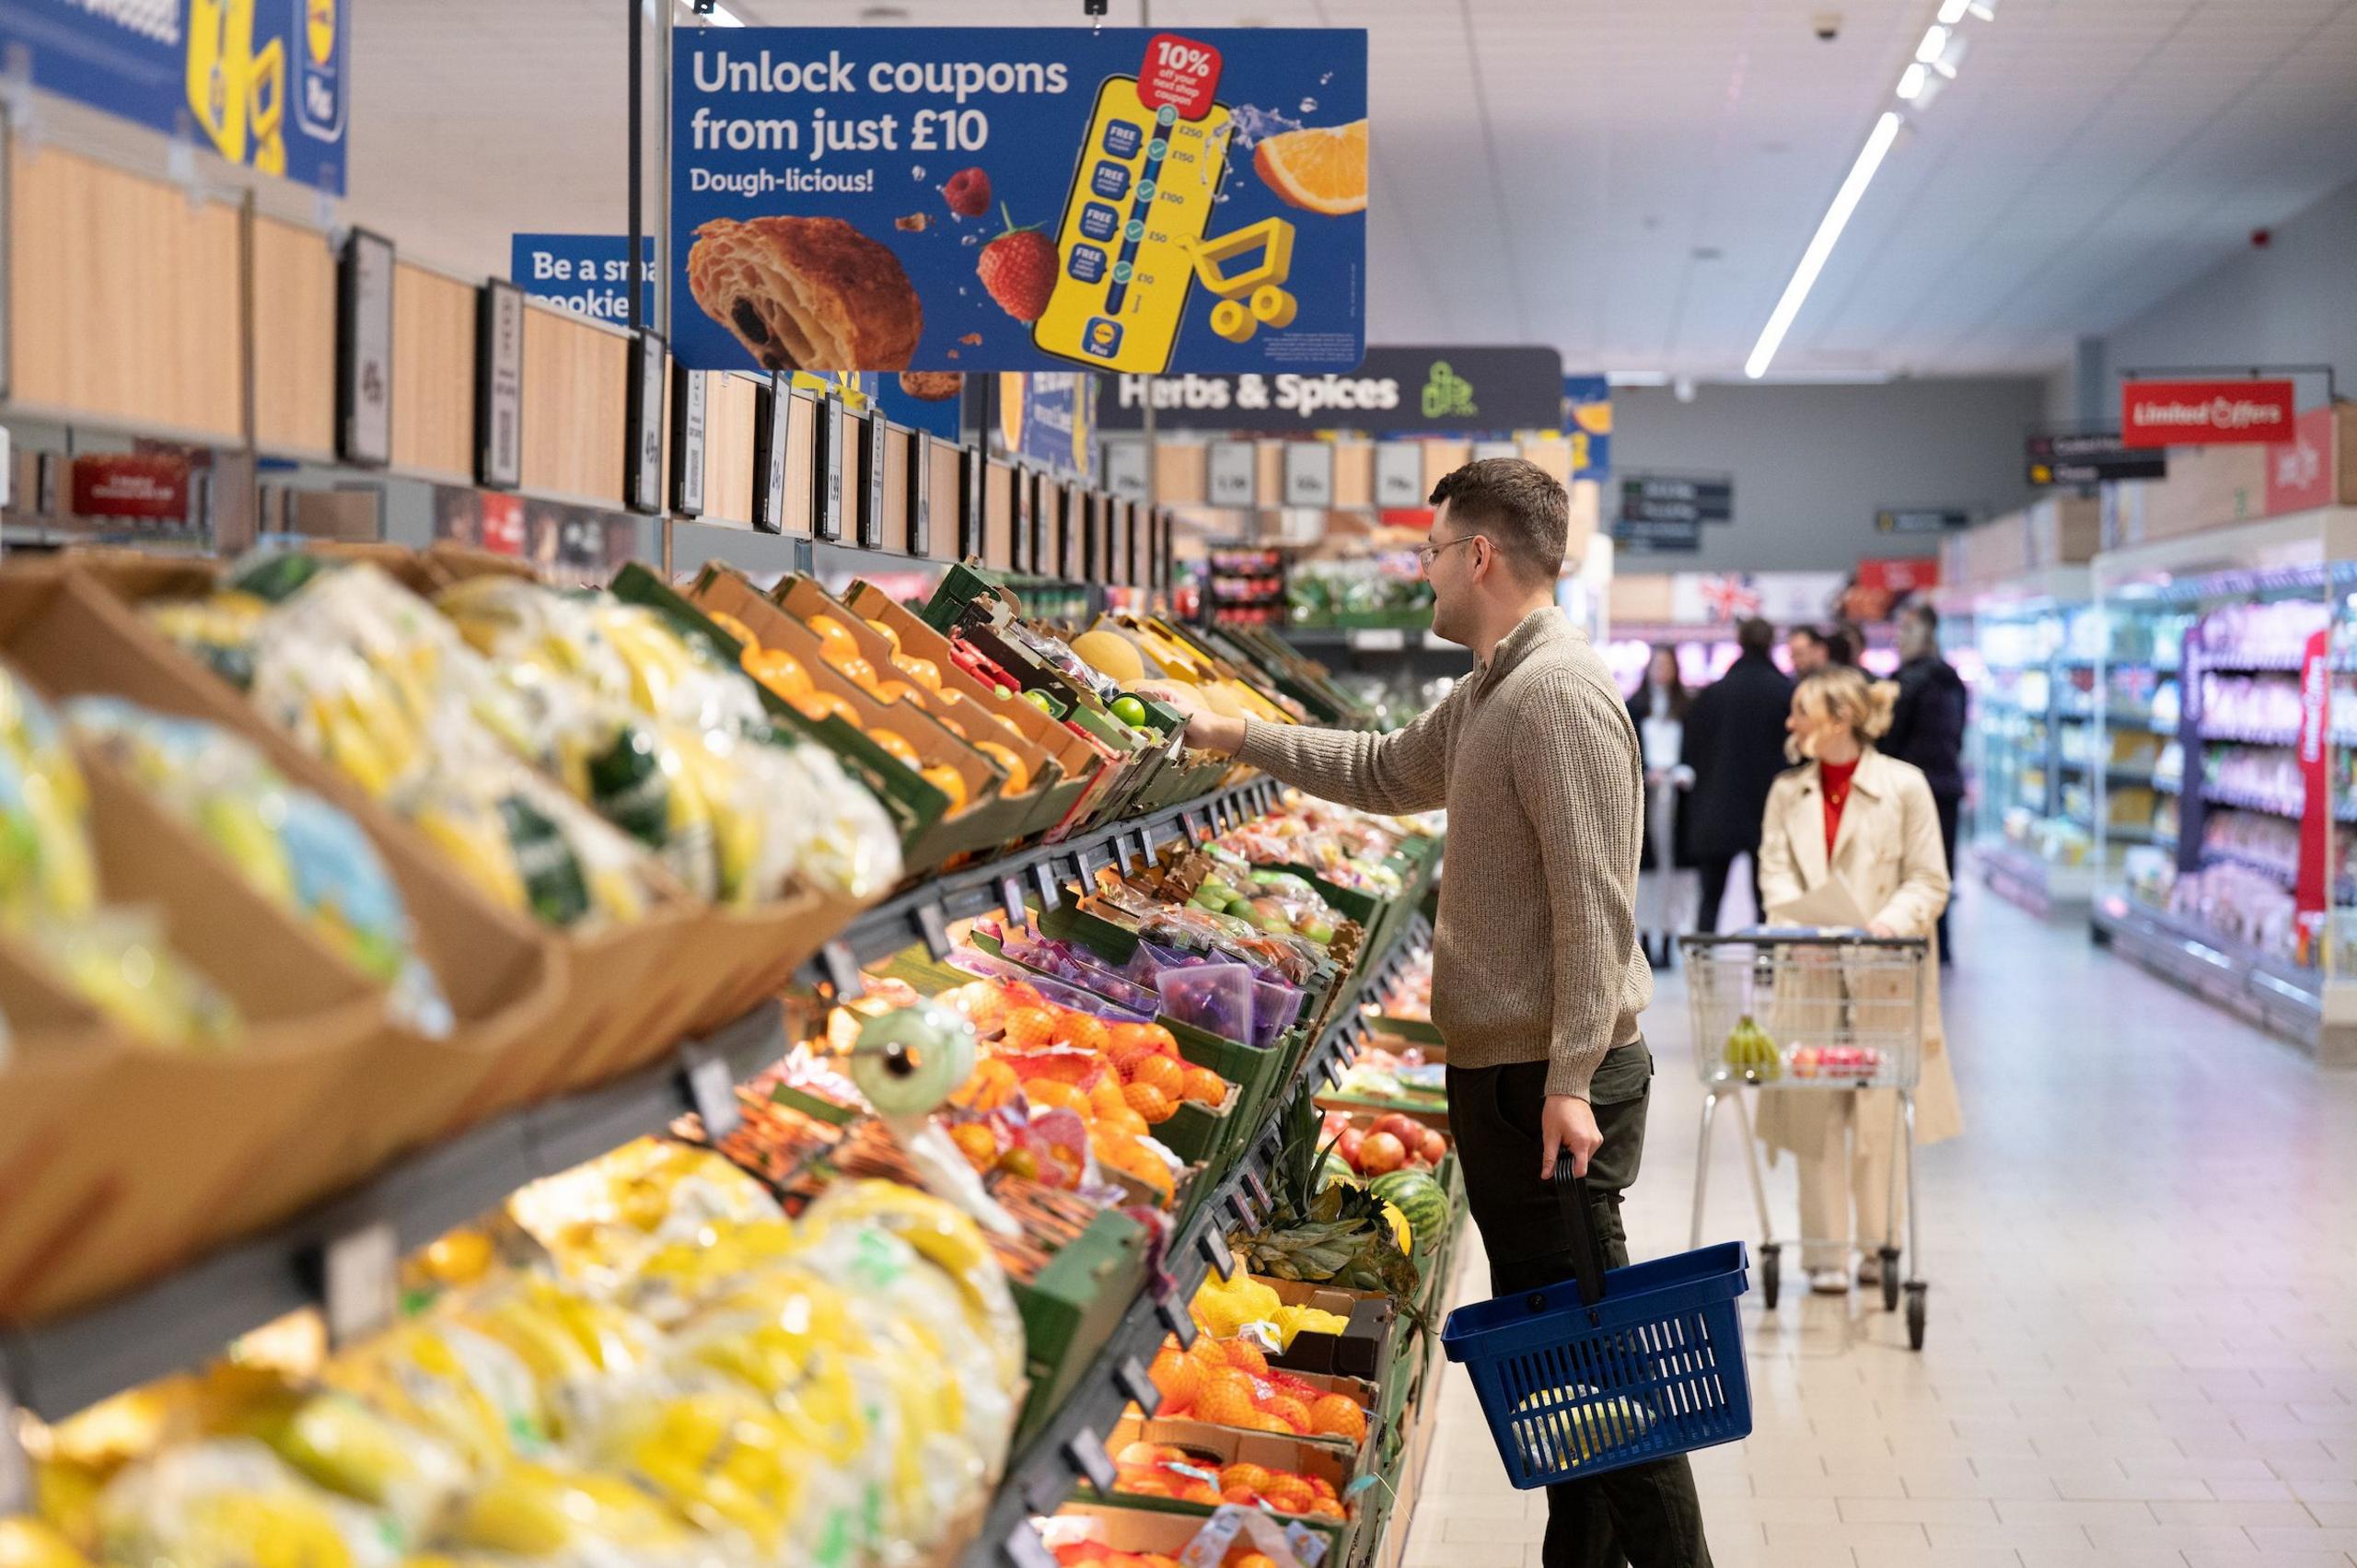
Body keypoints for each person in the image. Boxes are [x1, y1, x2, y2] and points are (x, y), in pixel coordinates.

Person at [1144, 458, 1713, 1568]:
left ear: (1482, 556)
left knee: (1611, 1371)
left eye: (1433, 550)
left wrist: (1563, 1081)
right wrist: (1225, 732)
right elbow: (1382, 768)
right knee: (1564, 1367)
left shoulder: (1557, 692)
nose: (1425, 571)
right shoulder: (1495, 685)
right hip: (1515, 1075)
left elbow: (1598, 908)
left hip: (1555, 1084)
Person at [1754, 668, 1966, 1295]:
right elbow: (1774, 874)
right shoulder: (1786, 792)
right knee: (1814, 1108)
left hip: (1884, 972)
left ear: (1840, 718)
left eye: (1802, 711)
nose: (1790, 723)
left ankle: (1880, 1246)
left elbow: (1930, 878)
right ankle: (1824, 1255)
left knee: (1879, 1112)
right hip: (1811, 971)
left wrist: (1885, 924)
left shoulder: (1905, 787)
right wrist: (1803, 926)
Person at [1680, 618, 1793, 934]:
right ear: (1771, 643)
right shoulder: (1785, 693)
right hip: (1768, 810)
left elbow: (1690, 750)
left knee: (1710, 900)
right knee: (1767, 900)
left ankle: (1700, 972)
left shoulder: (1712, 695)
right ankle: (1766, 969)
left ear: (1740, 642)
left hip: (1717, 808)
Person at [1882, 600, 1968, 963]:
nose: (1899, 639)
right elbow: (1959, 736)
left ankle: (1909, 940)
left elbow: (1889, 740)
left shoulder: (1904, 683)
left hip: (1909, 791)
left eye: (1904, 632)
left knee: (1907, 869)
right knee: (1939, 870)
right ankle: (1940, 944)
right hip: (1947, 787)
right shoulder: (1954, 682)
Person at [1627, 645, 1696, 969]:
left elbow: (1696, 754)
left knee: (1675, 874)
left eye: (1667, 664)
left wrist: (1683, 772)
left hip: (1679, 802)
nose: (1661, 670)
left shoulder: (1687, 709)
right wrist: (1644, 775)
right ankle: (1642, 940)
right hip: (1645, 798)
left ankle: (1668, 938)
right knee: (1644, 872)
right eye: (1657, 664)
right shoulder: (1635, 708)